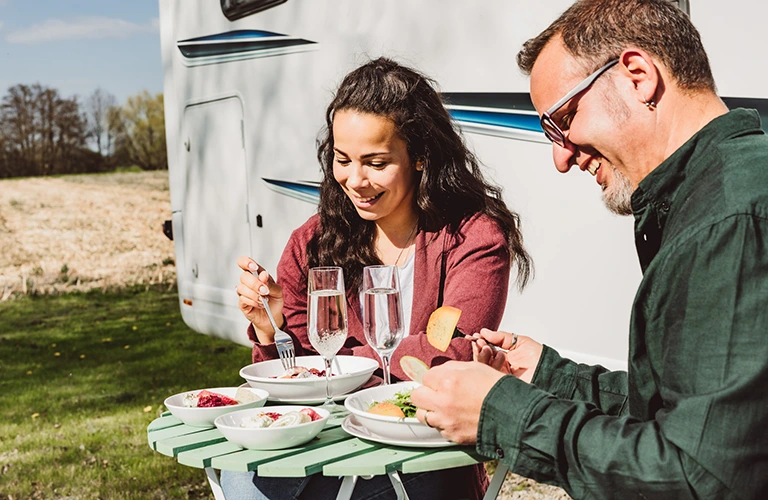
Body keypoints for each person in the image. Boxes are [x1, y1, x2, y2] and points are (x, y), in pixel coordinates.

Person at [410, 0, 768, 498]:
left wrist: (502, 413)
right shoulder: (717, 195)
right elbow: (695, 413)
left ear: (638, 76)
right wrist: (548, 375)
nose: (560, 157)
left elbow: (699, 476)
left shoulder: (727, 220)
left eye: (562, 119)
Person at [226, 57, 531, 500]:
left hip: (420, 450)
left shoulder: (472, 236)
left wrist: (338, 364)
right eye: (343, 159)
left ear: (421, 156)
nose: (355, 180)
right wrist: (269, 328)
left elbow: (451, 352)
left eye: (376, 162)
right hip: (322, 446)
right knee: (241, 482)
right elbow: (294, 376)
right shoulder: (311, 242)